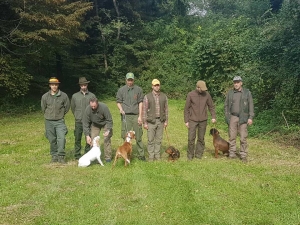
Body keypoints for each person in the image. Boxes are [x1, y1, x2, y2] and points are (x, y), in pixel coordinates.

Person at [116, 72, 145, 161]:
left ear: (133, 80)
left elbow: (140, 103)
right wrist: (121, 109)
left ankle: (141, 155)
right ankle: (125, 153)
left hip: (136, 115)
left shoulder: (138, 90)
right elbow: (118, 101)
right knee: (125, 135)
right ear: (126, 80)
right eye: (128, 80)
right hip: (126, 116)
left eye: (131, 80)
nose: (130, 82)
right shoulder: (121, 90)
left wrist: (140, 116)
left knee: (138, 135)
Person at [184, 80, 216, 160]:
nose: (203, 91)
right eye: (202, 89)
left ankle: (198, 155)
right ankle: (190, 155)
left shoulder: (207, 95)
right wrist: (186, 121)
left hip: (203, 120)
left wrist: (213, 117)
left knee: (201, 138)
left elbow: (211, 106)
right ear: (197, 87)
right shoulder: (190, 95)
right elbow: (186, 109)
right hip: (192, 120)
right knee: (191, 138)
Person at [224, 76, 254, 162]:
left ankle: (243, 155)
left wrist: (250, 117)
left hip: (243, 117)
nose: (236, 84)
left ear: (241, 83)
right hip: (232, 117)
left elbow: (251, 105)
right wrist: (227, 116)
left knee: (243, 137)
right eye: (234, 82)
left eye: (237, 82)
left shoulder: (247, 93)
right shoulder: (230, 93)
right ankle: (232, 153)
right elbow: (226, 105)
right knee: (232, 136)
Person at [41, 77, 70, 164]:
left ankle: (61, 156)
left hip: (59, 121)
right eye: (52, 85)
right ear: (50, 85)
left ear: (58, 85)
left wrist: (61, 114)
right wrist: (48, 115)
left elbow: (67, 107)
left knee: (61, 138)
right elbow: (43, 108)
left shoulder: (64, 96)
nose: (54, 86)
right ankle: (54, 156)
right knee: (52, 139)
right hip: (48, 121)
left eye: (56, 85)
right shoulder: (45, 96)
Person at [142, 79, 168, 161]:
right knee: (150, 140)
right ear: (152, 86)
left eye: (158, 85)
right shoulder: (147, 96)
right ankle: (151, 156)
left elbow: (166, 109)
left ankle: (157, 155)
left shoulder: (164, 96)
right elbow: (144, 110)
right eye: (155, 85)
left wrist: (166, 121)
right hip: (151, 121)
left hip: (161, 121)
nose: (157, 87)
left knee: (159, 140)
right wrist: (145, 123)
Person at [71, 77, 96, 160]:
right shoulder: (75, 96)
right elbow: (73, 108)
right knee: (77, 138)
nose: (83, 87)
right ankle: (77, 155)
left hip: (89, 121)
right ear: (80, 86)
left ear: (87, 85)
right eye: (82, 85)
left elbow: (95, 107)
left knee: (89, 138)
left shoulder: (92, 96)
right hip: (78, 121)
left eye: (85, 85)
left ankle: (87, 153)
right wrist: (77, 116)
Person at [82, 97, 113, 163]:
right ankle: (94, 157)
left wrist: (108, 130)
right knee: (93, 139)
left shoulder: (104, 107)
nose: (93, 107)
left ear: (97, 104)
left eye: (94, 106)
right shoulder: (88, 109)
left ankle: (108, 157)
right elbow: (85, 123)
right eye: (91, 106)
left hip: (105, 123)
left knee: (106, 138)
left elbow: (109, 120)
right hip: (95, 124)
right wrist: (87, 135)